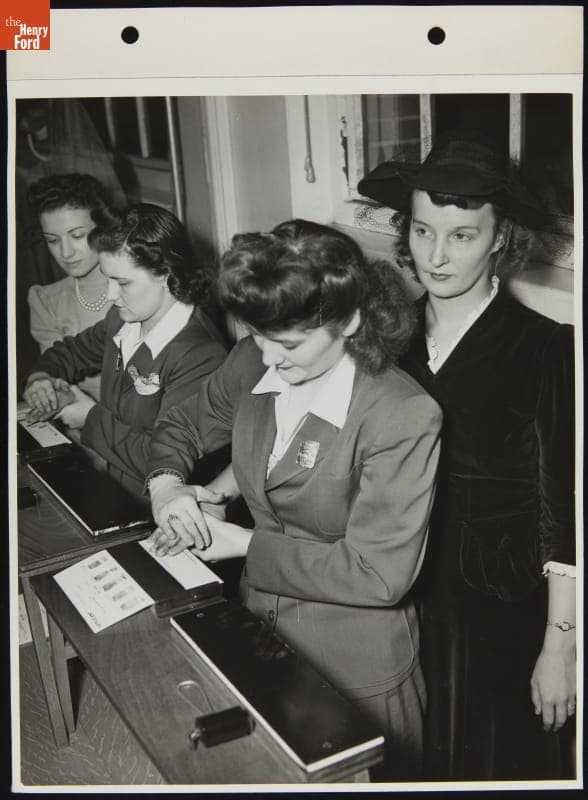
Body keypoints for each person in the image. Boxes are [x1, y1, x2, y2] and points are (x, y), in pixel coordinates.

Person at [144, 219, 442, 779]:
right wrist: (170, 488)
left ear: (350, 320)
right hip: (263, 640)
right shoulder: (256, 355)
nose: (269, 358)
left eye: (289, 344)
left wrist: (242, 544)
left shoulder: (402, 415)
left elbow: (379, 575)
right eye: (256, 336)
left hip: (355, 673)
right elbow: (182, 423)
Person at [357, 133, 576, 780]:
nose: (437, 256)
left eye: (462, 236)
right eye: (424, 232)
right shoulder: (390, 340)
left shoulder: (546, 348)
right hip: (403, 580)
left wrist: (561, 646)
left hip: (500, 600)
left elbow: (564, 503)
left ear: (500, 239)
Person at [23, 203, 229, 499]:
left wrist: (89, 417)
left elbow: (163, 461)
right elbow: (70, 353)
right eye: (108, 278)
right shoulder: (122, 319)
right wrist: (41, 379)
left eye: (122, 282)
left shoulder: (201, 355)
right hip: (116, 487)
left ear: (166, 274)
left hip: (160, 510)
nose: (110, 295)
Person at [26, 173, 116, 400]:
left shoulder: (136, 292)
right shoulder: (46, 301)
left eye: (77, 236)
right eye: (52, 240)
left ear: (104, 228)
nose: (65, 252)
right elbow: (57, 380)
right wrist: (40, 384)